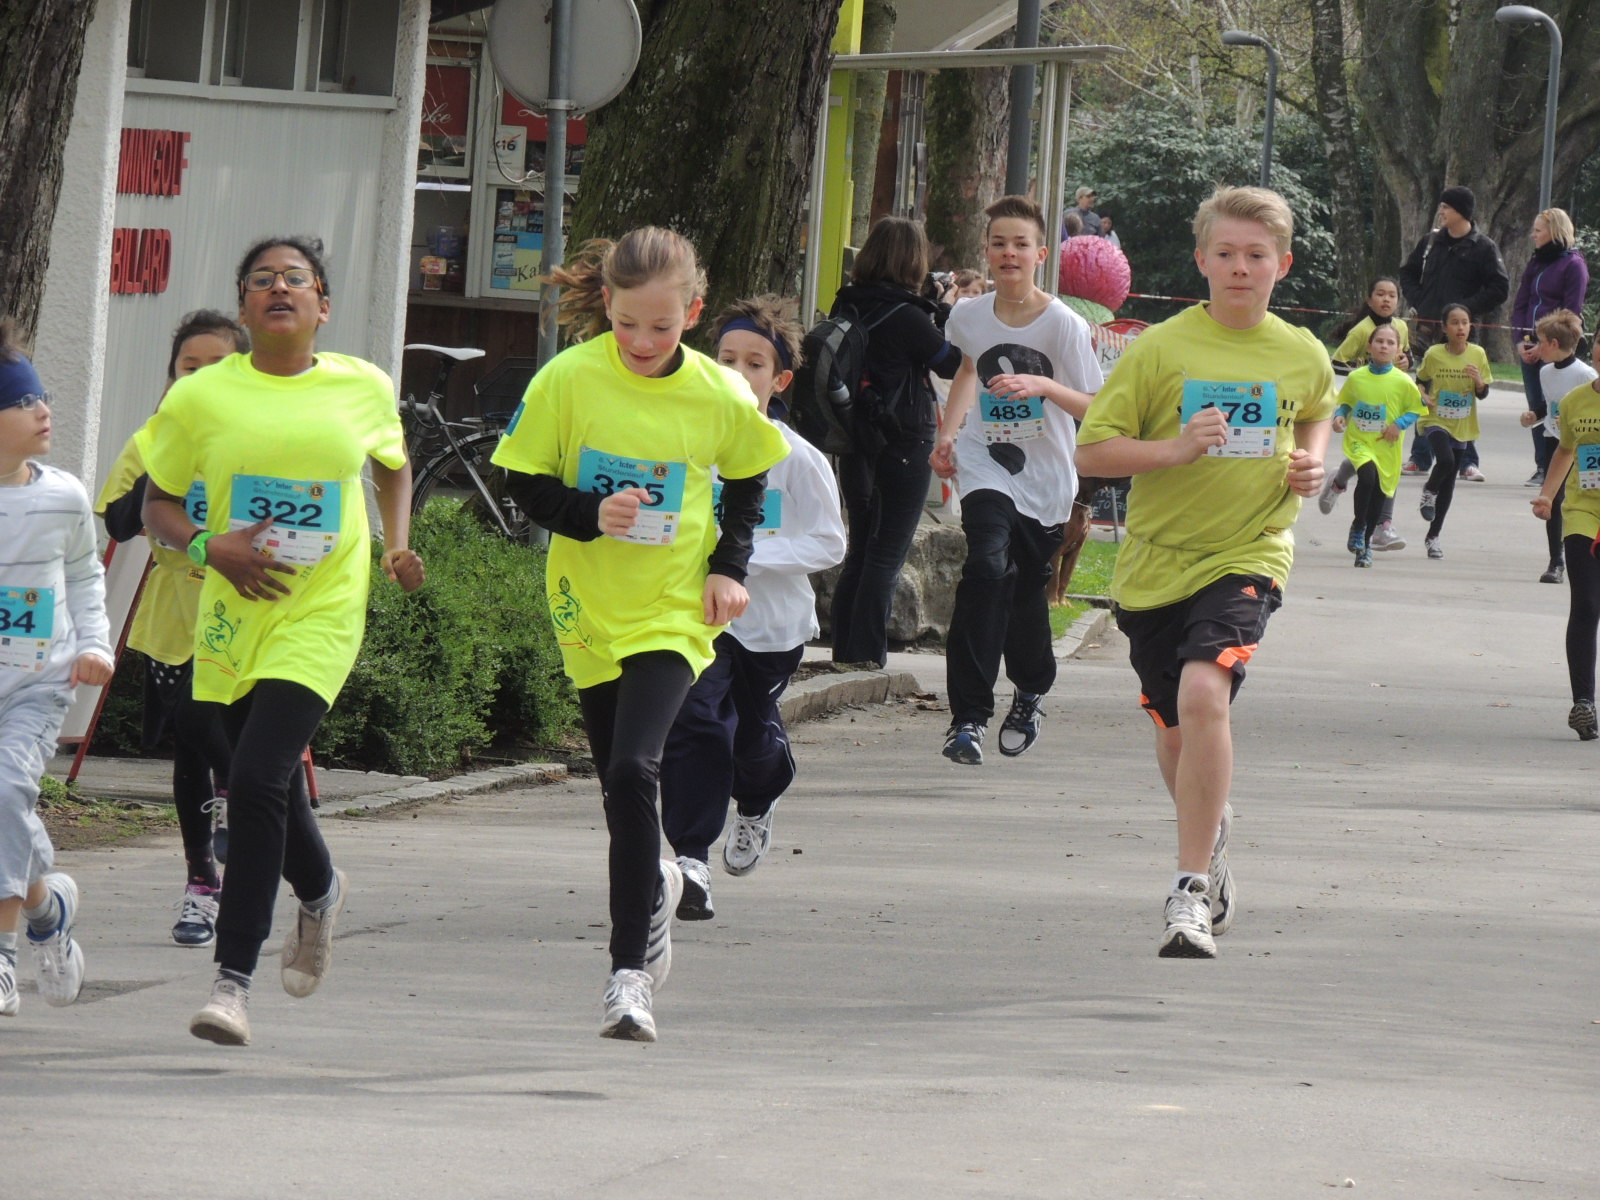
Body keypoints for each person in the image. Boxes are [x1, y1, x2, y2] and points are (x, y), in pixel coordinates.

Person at [492, 228, 789, 1042]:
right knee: (618, 793)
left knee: (635, 766)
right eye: (627, 324)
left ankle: (627, 978)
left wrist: (729, 567)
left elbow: (748, 478)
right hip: (588, 605)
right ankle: (651, 891)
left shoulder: (718, 392)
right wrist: (591, 512)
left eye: (661, 326)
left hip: (672, 608)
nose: (643, 341)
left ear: (692, 313)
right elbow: (521, 479)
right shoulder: (568, 379)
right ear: (606, 306)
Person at [138, 237, 425, 1046]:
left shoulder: (362, 385)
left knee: (260, 776)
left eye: (295, 279)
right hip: (234, 607)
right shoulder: (202, 397)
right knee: (246, 767)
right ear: (244, 305)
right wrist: (208, 547)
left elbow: (392, 464)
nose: (279, 288)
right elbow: (159, 503)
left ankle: (231, 983)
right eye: (261, 279)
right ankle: (322, 888)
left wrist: (395, 543)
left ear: (322, 306)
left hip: (321, 611)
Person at [1075, 185, 1334, 959]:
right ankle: (1210, 830)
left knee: (1202, 691)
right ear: (1202, 261)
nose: (1240, 267)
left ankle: (1187, 891)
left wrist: (1311, 462)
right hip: (1157, 563)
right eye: (1226, 253)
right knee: (1176, 732)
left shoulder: (1301, 352)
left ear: (1282, 265)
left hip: (1249, 550)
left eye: (1256, 255)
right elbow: (1093, 452)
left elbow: (1318, 408)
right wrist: (1177, 448)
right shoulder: (1160, 349)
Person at [658, 297, 845, 912]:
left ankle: (760, 796)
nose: (739, 372)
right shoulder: (685, 446)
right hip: (695, 620)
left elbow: (830, 541)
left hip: (770, 627)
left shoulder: (797, 457)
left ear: (780, 380)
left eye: (755, 363)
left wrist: (743, 558)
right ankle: (691, 857)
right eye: (727, 359)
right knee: (696, 721)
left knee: (751, 740)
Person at [930, 195, 1102, 765]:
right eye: (999, 243)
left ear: (1040, 255)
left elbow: (1097, 407)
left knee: (1025, 588)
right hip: (985, 460)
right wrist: (948, 434)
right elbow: (968, 369)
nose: (1009, 253)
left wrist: (1043, 386)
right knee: (985, 566)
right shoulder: (968, 315)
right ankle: (968, 717)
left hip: (1047, 475)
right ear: (986, 251)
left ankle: (1030, 689)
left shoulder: (1065, 325)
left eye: (1020, 244)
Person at [96, 310, 246, 947]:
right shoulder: (153, 437)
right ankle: (201, 884)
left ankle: (246, 794)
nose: (202, 378)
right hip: (175, 615)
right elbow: (119, 523)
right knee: (189, 741)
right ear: (171, 377)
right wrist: (164, 443)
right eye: (190, 368)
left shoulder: (263, 439)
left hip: (247, 611)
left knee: (213, 728)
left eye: (218, 367)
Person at [0, 320, 113, 1019]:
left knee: (4, 791)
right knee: (4, 809)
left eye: (42, 397)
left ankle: (3, 959)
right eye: (22, 401)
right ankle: (47, 908)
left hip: (39, 684)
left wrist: (95, 647)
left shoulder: (63, 495)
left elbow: (83, 577)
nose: (44, 410)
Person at [828, 217, 959, 668]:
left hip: (855, 438)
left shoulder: (847, 303)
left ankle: (846, 652)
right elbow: (950, 363)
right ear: (913, 261)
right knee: (886, 554)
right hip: (904, 440)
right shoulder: (909, 317)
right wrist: (944, 310)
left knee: (861, 550)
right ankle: (867, 659)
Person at [1398, 186, 1508, 482]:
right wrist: (1420, 300)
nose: (1441, 211)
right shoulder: (1430, 242)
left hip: (1461, 335)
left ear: (1462, 211)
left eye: (1446, 206)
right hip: (1427, 329)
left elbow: (1500, 288)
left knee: (1461, 393)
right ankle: (1420, 457)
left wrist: (1464, 311)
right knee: (1424, 390)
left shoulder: (1484, 247)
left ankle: (1467, 461)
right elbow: (1407, 273)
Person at [1532, 330, 1600, 741]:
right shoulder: (1576, 401)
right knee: (1587, 604)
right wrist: (1547, 495)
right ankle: (1584, 703)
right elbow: (1564, 450)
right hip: (1583, 514)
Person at [1319, 279, 1414, 551]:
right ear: (1370, 299)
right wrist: (1364, 376)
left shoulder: (1401, 327)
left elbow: (1407, 356)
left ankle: (1383, 525)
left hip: (1391, 405)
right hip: (1365, 405)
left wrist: (1406, 361)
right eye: (1380, 294)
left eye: (1392, 295)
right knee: (1366, 458)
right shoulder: (1361, 330)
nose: (1386, 299)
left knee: (1386, 463)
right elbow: (1337, 362)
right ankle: (1341, 484)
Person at [1325, 325, 1426, 568]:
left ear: (1398, 350)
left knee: (1380, 492)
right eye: (1379, 341)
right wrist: (1340, 417)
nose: (1384, 346)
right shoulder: (1357, 377)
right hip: (1360, 442)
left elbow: (1417, 409)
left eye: (1390, 343)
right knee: (1367, 478)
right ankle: (1359, 526)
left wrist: (1398, 425)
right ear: (1369, 346)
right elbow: (1346, 403)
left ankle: (1366, 544)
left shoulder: (1403, 381)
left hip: (1386, 446)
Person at [1512, 208, 1589, 487]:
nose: (1533, 235)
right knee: (1537, 408)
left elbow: (1571, 312)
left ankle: (1565, 466)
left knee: (1559, 409)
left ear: (1554, 232)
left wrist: (1547, 344)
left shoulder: (1574, 265)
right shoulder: (1536, 262)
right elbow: (1521, 303)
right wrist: (1521, 341)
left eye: (1538, 230)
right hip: (1531, 347)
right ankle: (1542, 466)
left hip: (1556, 347)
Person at [1522, 310, 1596, 585]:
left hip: (1583, 444)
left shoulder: (1585, 374)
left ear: (1553, 343)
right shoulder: (1544, 372)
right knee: (1552, 500)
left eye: (1540, 342)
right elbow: (1551, 405)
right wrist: (1534, 414)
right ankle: (1556, 561)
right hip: (1555, 440)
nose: (1536, 348)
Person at [1415, 303, 1491, 559]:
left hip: (1462, 423)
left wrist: (1478, 381)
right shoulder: (1434, 354)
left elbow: (1483, 393)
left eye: (1465, 323)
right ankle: (1429, 490)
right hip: (1436, 419)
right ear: (1445, 327)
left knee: (1449, 485)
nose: (1461, 327)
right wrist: (1423, 395)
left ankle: (1433, 537)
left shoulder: (1478, 354)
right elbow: (1420, 380)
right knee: (1445, 461)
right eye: (1455, 323)